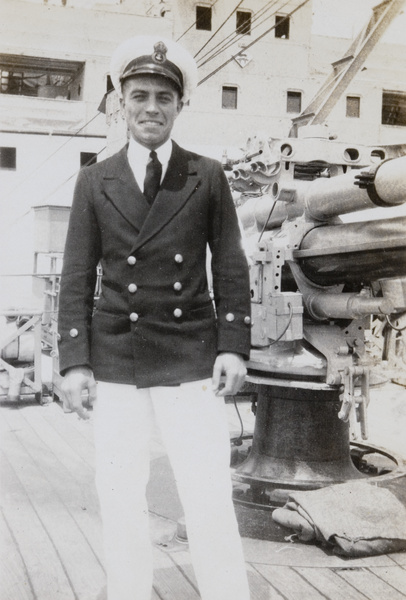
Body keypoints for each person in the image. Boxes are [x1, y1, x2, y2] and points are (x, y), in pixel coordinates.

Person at [58, 35, 252, 600]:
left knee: (208, 493)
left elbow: (232, 266)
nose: (150, 108)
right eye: (139, 95)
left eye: (163, 98)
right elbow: (77, 276)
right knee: (120, 493)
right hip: (117, 359)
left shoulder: (206, 175)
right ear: (120, 101)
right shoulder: (95, 179)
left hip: (191, 357)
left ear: (180, 106)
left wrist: (233, 346)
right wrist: (74, 362)